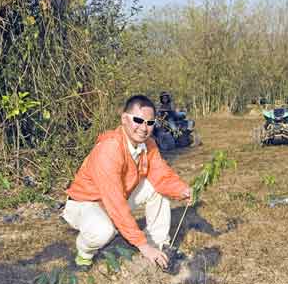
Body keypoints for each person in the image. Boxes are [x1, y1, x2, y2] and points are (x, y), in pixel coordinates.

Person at [62, 95, 192, 271]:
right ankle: (84, 255)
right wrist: (142, 245)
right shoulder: (109, 149)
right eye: (138, 120)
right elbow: (115, 203)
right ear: (124, 119)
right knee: (102, 232)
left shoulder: (149, 145)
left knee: (157, 188)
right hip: (85, 204)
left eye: (150, 122)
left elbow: (162, 175)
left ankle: (159, 245)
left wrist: (182, 190)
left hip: (115, 200)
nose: (144, 128)